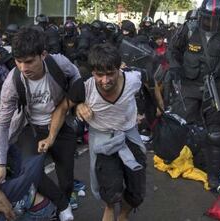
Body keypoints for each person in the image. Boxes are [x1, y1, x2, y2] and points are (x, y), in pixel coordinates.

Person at [40, 44, 146, 221]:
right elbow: (62, 107)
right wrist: (51, 136)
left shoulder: (133, 79)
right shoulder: (84, 87)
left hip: (129, 134)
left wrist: (156, 108)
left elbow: (151, 82)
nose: (105, 80)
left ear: (119, 68)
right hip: (102, 138)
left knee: (137, 191)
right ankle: (110, 208)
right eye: (99, 75)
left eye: (110, 73)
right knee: (109, 189)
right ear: (92, 72)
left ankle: (123, 215)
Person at [0, 27, 80, 221]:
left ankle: (64, 198)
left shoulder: (59, 63)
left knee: (66, 178)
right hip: (32, 129)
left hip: (62, 125)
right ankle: (61, 206)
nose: (23, 68)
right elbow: (2, 123)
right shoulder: (13, 82)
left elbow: (77, 78)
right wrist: (0, 163)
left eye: (29, 61)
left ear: (43, 55)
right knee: (30, 172)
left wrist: (76, 103)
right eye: (18, 61)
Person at [168, 0, 220, 189]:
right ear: (201, 15)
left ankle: (213, 175)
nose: (211, 23)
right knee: (177, 125)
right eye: (207, 19)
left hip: (215, 86)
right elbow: (173, 50)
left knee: (216, 133)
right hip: (189, 85)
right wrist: (174, 67)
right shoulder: (189, 28)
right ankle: (174, 159)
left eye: (216, 20)